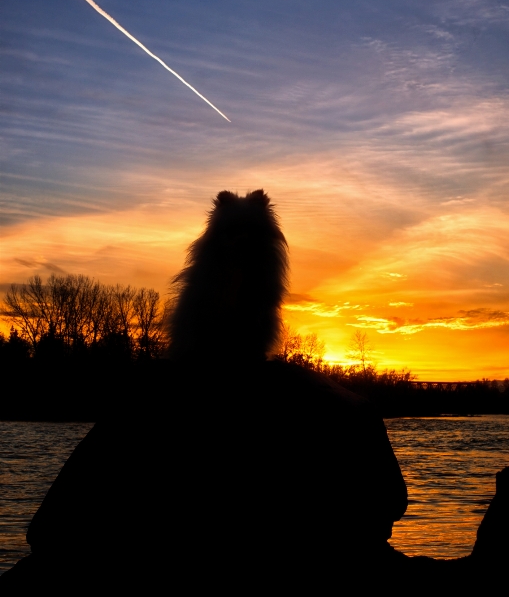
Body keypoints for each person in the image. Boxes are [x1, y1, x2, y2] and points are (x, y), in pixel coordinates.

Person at [2, 190, 507, 592]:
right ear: (216, 232)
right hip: (202, 361)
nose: (240, 240)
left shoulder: (262, 279)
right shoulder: (210, 279)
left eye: (249, 232)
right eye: (233, 232)